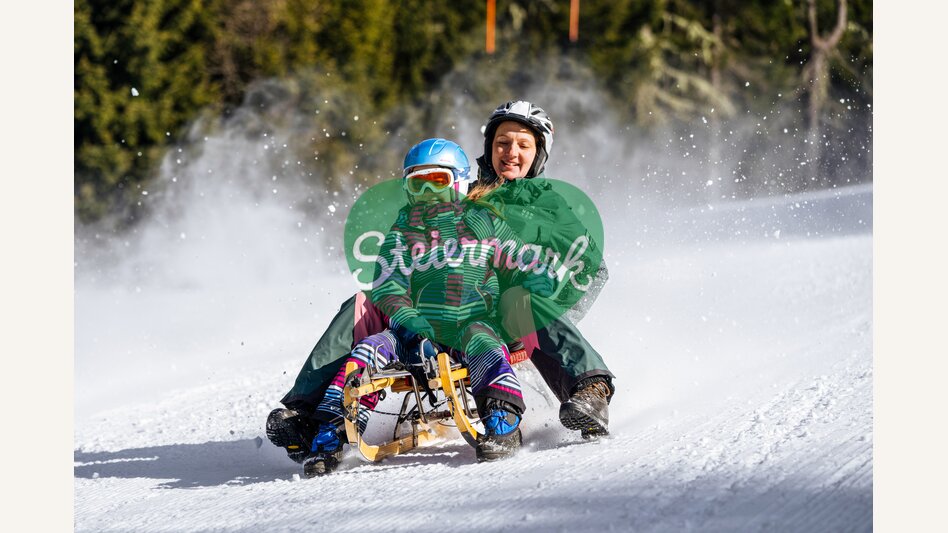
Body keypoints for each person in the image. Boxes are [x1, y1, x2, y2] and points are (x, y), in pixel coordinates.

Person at [267, 101, 615, 470]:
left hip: (502, 314)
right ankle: (306, 412)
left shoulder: (549, 205)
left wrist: (560, 311)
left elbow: (591, 267)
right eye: (502, 143)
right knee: (364, 302)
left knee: (521, 298)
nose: (510, 152)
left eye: (523, 145)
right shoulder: (459, 189)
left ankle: (589, 388)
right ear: (488, 148)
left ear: (539, 153)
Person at [296, 138, 546, 476]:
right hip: (413, 332)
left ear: (458, 183)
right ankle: (334, 427)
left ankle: (502, 418)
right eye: (419, 184)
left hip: (471, 321)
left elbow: (517, 260)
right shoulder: (403, 232)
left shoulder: (483, 221)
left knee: (483, 342)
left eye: (437, 182)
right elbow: (387, 285)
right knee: (369, 349)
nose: (428, 192)